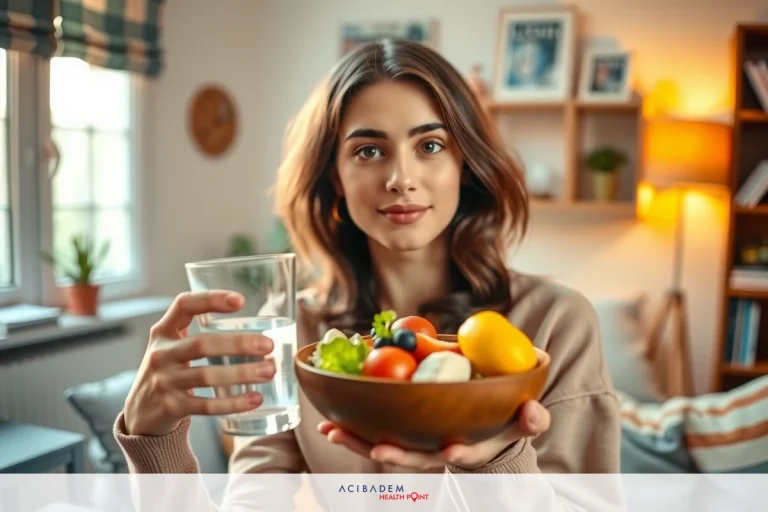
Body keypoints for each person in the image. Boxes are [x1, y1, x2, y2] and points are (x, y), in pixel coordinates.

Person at [114, 38, 619, 490]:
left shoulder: (555, 326)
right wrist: (155, 445)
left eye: (431, 145)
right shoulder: (297, 335)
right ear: (334, 175)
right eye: (369, 150)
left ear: (465, 165)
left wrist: (496, 466)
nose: (401, 177)